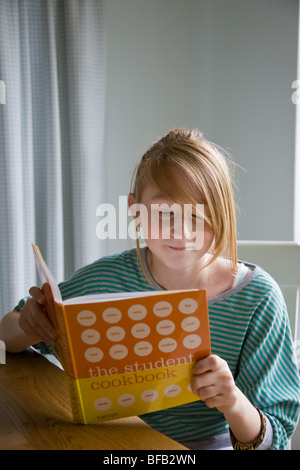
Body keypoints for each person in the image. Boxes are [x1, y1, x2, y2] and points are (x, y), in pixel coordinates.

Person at [1, 128, 299, 450]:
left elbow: (275, 439)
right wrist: (30, 324)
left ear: (222, 213)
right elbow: (6, 337)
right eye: (163, 213)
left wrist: (234, 403)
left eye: (199, 215)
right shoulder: (104, 279)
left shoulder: (257, 298)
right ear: (135, 211)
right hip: (114, 442)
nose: (181, 232)